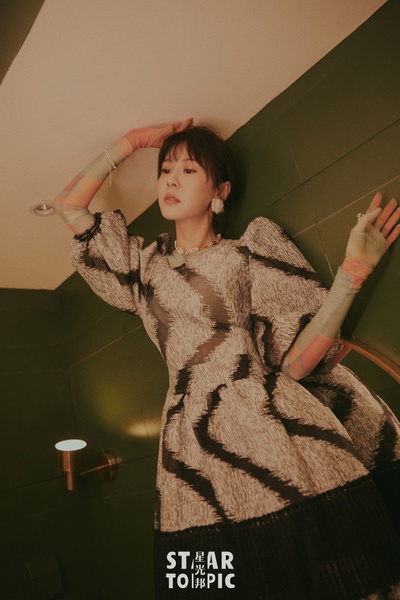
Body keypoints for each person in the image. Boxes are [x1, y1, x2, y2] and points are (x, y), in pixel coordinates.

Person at [54, 120, 400, 599]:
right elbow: (69, 205)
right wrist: (133, 142)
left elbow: (295, 365)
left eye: (188, 169)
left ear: (220, 191)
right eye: (165, 169)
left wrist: (353, 272)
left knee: (320, 572)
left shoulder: (247, 253)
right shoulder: (143, 268)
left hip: (264, 425)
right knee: (208, 581)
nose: (171, 180)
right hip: (186, 443)